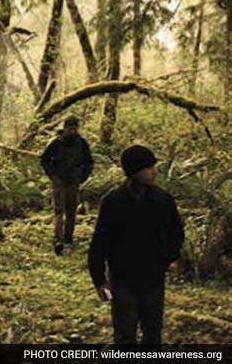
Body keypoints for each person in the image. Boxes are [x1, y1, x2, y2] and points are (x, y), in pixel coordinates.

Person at [88, 145, 184, 345]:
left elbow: (177, 233)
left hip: (154, 278)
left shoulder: (163, 199)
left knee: (153, 334)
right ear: (134, 171)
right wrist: (99, 281)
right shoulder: (113, 201)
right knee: (124, 336)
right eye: (148, 167)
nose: (154, 171)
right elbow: (99, 243)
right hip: (123, 279)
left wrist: (167, 258)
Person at [39, 115, 93, 255]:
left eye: (75, 129)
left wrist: (82, 177)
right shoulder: (55, 143)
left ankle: (68, 239)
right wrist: (53, 176)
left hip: (74, 180)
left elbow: (89, 162)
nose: (72, 132)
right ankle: (58, 240)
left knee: (71, 211)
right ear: (64, 128)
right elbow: (44, 160)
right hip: (59, 180)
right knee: (58, 210)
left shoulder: (82, 143)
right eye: (70, 129)